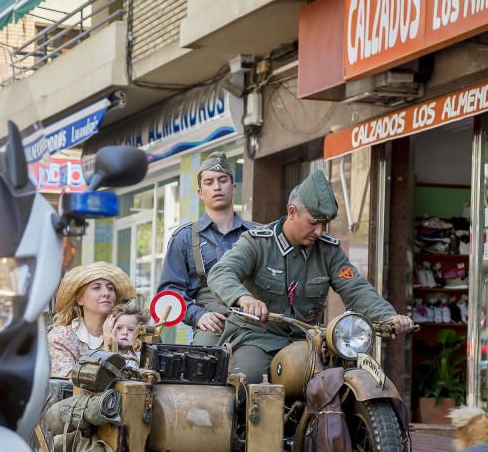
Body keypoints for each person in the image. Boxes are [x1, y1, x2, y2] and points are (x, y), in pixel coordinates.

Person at [207, 169, 414, 385]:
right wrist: (244, 298)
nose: (319, 231)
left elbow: (356, 288)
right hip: (257, 338)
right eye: (313, 222)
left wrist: (388, 317)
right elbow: (221, 272)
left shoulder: (328, 251)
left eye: (324, 224)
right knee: (246, 383)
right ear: (292, 211)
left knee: (334, 387)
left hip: (306, 341)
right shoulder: (257, 243)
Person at [157, 151, 250, 345]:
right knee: (202, 368)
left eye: (222, 180)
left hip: (254, 324)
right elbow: (170, 292)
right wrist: (198, 315)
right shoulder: (184, 238)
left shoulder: (256, 234)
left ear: (233, 188)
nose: (216, 187)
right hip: (211, 324)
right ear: (200, 193)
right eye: (209, 182)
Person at [48, 262, 135, 378]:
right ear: (80, 299)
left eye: (110, 288)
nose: (106, 293)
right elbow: (73, 384)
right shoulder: (62, 337)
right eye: (96, 287)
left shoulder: (126, 333)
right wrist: (108, 348)